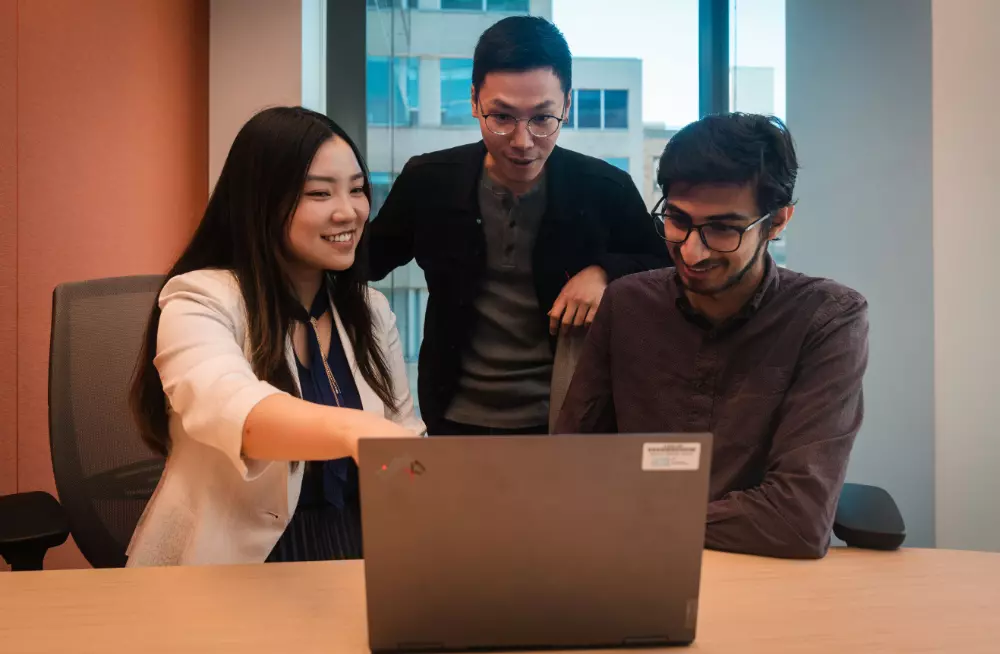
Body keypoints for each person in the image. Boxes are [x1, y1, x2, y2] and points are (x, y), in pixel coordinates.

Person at [555, 113, 869, 560]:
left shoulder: (827, 319)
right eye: (677, 220)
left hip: (765, 579)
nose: (691, 250)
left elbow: (797, 520)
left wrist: (630, 513)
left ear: (777, 221)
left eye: (722, 229)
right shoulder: (627, 304)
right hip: (630, 566)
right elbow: (568, 471)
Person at [127, 107, 424, 566]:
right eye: (319, 193)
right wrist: (354, 429)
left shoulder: (369, 310)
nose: (349, 211)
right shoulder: (198, 298)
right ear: (261, 202)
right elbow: (229, 407)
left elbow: (403, 434)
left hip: (360, 546)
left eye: (358, 189)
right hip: (238, 559)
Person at [366, 16, 672, 436]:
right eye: (502, 117)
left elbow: (665, 267)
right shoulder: (430, 181)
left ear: (567, 104)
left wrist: (605, 272)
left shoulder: (604, 188)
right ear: (474, 101)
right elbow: (364, 260)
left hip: (569, 420)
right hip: (454, 416)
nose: (523, 140)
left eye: (542, 119)